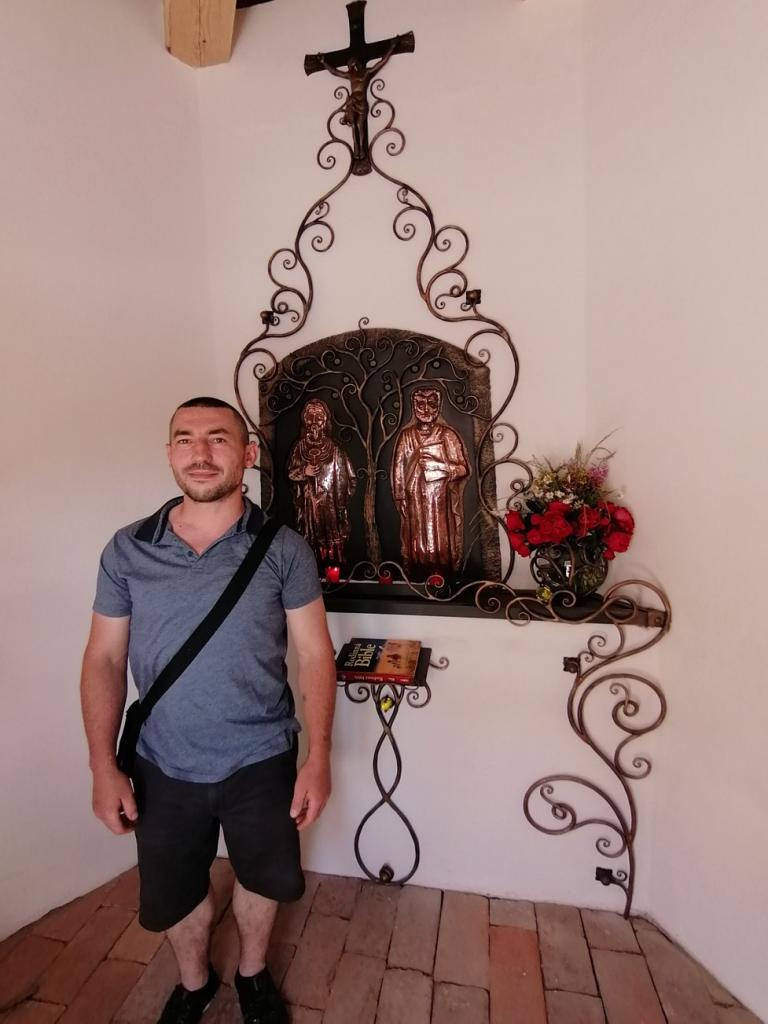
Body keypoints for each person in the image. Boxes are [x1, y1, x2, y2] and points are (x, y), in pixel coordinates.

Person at [80, 397, 336, 1024]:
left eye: (218, 438)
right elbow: (104, 659)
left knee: (262, 880)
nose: (200, 452)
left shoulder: (283, 548)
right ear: (169, 453)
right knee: (176, 894)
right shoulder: (127, 550)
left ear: (246, 455)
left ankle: (253, 974)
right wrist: (102, 767)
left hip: (263, 757)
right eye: (185, 438)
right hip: (161, 761)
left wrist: (319, 756)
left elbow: (314, 654)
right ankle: (194, 984)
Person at [391, 386, 470, 577]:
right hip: (414, 497)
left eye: (431, 404)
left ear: (438, 407)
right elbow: (398, 467)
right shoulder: (406, 436)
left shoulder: (447, 435)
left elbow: (463, 468)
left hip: (439, 497)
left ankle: (442, 571)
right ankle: (418, 571)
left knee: (439, 534)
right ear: (414, 407)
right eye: (420, 404)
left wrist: (441, 465)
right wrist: (400, 496)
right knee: (416, 535)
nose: (426, 409)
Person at [287, 398, 357, 566]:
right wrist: (304, 471)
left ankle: (334, 562)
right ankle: (311, 562)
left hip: (331, 501)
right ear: (305, 420)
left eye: (318, 417)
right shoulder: (300, 447)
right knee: (311, 532)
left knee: (332, 533)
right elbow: (291, 473)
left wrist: (341, 501)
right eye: (310, 417)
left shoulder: (335, 448)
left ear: (325, 420)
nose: (314, 422)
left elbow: (348, 478)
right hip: (309, 502)